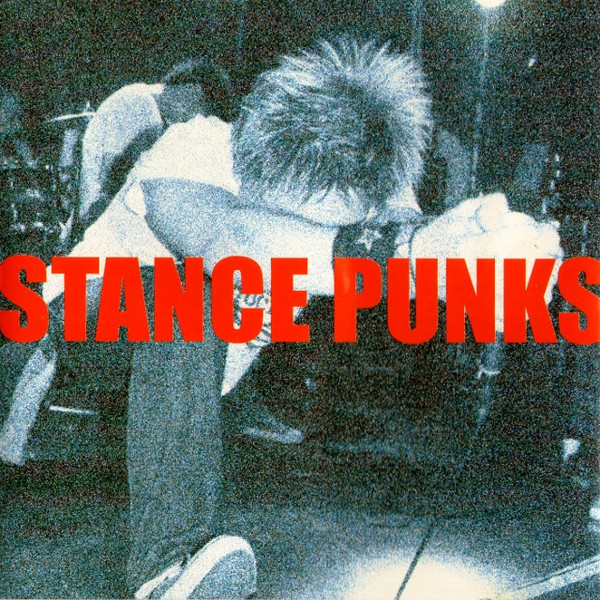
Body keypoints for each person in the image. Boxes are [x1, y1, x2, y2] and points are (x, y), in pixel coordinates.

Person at [0, 39, 561, 599]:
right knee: (189, 293)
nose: (313, 240)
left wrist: (486, 247)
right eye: (300, 217)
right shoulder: (199, 144)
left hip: (189, 372)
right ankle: (164, 564)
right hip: (78, 322)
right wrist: (410, 256)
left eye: (336, 222)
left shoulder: (359, 186)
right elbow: (229, 236)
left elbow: (402, 218)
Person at [77, 56, 234, 229]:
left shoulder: (145, 101)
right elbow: (111, 180)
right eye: (201, 113)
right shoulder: (142, 105)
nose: (192, 122)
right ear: (193, 91)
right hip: (101, 220)